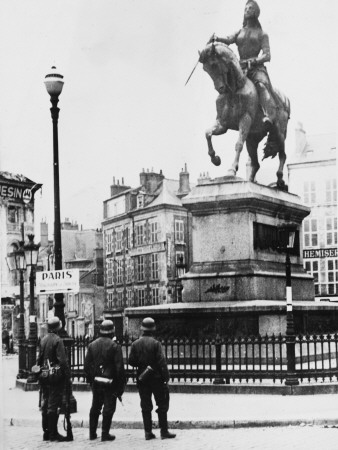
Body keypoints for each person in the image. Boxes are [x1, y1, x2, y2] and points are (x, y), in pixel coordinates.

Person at [209, 0, 274, 132]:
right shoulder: (239, 32)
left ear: (255, 13)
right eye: (246, 8)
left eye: (250, 8)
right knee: (226, 86)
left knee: (261, 86)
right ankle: (221, 118)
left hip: (256, 68)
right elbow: (228, 39)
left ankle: (269, 115)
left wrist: (254, 61)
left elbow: (267, 55)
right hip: (241, 68)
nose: (247, 10)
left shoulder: (262, 34)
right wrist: (217, 38)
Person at [128, 317, 176, 440]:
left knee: (145, 405)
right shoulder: (156, 344)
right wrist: (166, 377)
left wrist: (141, 364)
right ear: (153, 329)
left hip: (142, 378)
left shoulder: (135, 344)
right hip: (156, 379)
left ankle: (148, 432)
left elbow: (131, 361)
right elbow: (161, 362)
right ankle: (164, 432)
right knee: (162, 404)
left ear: (142, 329)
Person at [84, 320, 126, 442]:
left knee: (95, 407)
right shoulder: (115, 346)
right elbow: (119, 369)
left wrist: (93, 379)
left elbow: (87, 366)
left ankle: (92, 433)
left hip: (96, 382)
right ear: (112, 331)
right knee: (109, 408)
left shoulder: (92, 345)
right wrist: (120, 387)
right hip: (110, 383)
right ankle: (104, 433)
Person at [37, 316, 71, 442]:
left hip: (44, 376)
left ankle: (46, 432)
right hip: (55, 377)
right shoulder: (58, 340)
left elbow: (39, 359)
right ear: (58, 327)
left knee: (45, 403)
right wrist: (67, 375)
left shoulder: (43, 339)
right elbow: (62, 361)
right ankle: (53, 434)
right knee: (53, 404)